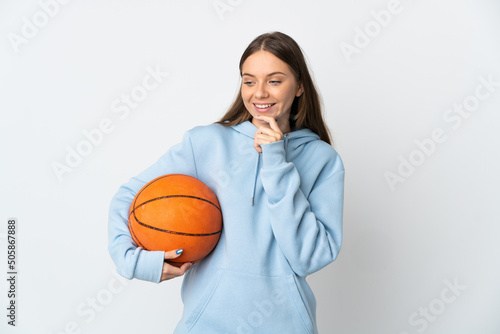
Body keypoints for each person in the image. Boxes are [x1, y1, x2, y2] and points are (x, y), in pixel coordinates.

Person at [108, 31, 345, 334]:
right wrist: (135, 261)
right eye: (249, 81)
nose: (259, 93)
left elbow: (309, 257)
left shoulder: (322, 159)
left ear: (299, 86)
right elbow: (129, 195)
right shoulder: (205, 143)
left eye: (274, 80)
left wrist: (276, 162)